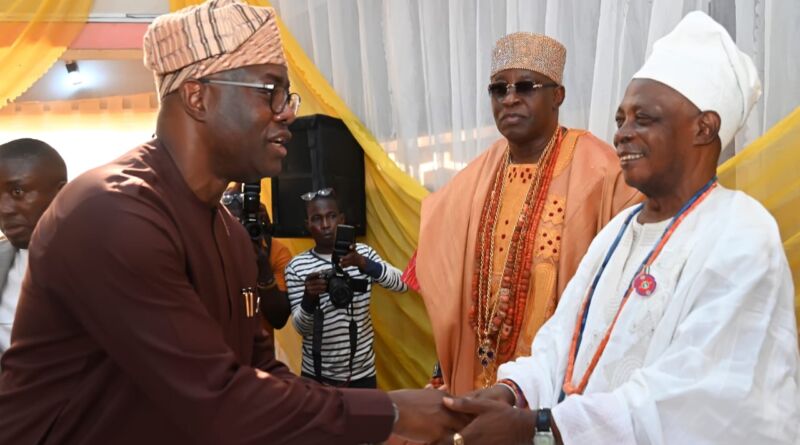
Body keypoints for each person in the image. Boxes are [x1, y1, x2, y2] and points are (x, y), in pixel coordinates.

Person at [0, 2, 466, 444]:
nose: (289, 111)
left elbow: (259, 375)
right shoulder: (112, 212)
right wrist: (391, 413)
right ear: (198, 96)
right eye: (271, 90)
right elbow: (218, 401)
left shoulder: (230, 232)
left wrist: (386, 419)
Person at [441, 11, 799, 444]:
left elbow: (698, 398)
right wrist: (510, 393)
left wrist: (539, 427)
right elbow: (561, 343)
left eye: (643, 119)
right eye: (620, 120)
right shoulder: (618, 231)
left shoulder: (741, 231)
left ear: (704, 128)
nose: (622, 135)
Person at [404, 32, 641, 394]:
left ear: (557, 96)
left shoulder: (601, 169)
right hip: (478, 374)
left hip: (563, 385)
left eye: (526, 87)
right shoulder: (479, 173)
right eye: (499, 89)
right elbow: (435, 256)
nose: (510, 98)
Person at [286, 188, 408, 388]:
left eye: (331, 216)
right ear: (308, 225)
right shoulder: (297, 267)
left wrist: (364, 264)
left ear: (341, 219)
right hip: (316, 375)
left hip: (362, 373)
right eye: (317, 218)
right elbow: (301, 328)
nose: (325, 225)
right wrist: (309, 297)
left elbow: (402, 284)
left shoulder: (362, 254)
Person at [0, 138, 67, 355]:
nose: (4, 209)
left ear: (61, 194)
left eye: (17, 192)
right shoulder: (3, 259)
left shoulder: (102, 261)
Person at [222, 182, 292, 337]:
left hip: (260, 355)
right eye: (232, 222)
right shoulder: (211, 246)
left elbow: (279, 319)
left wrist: (263, 267)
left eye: (244, 222)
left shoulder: (276, 252)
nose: (238, 230)